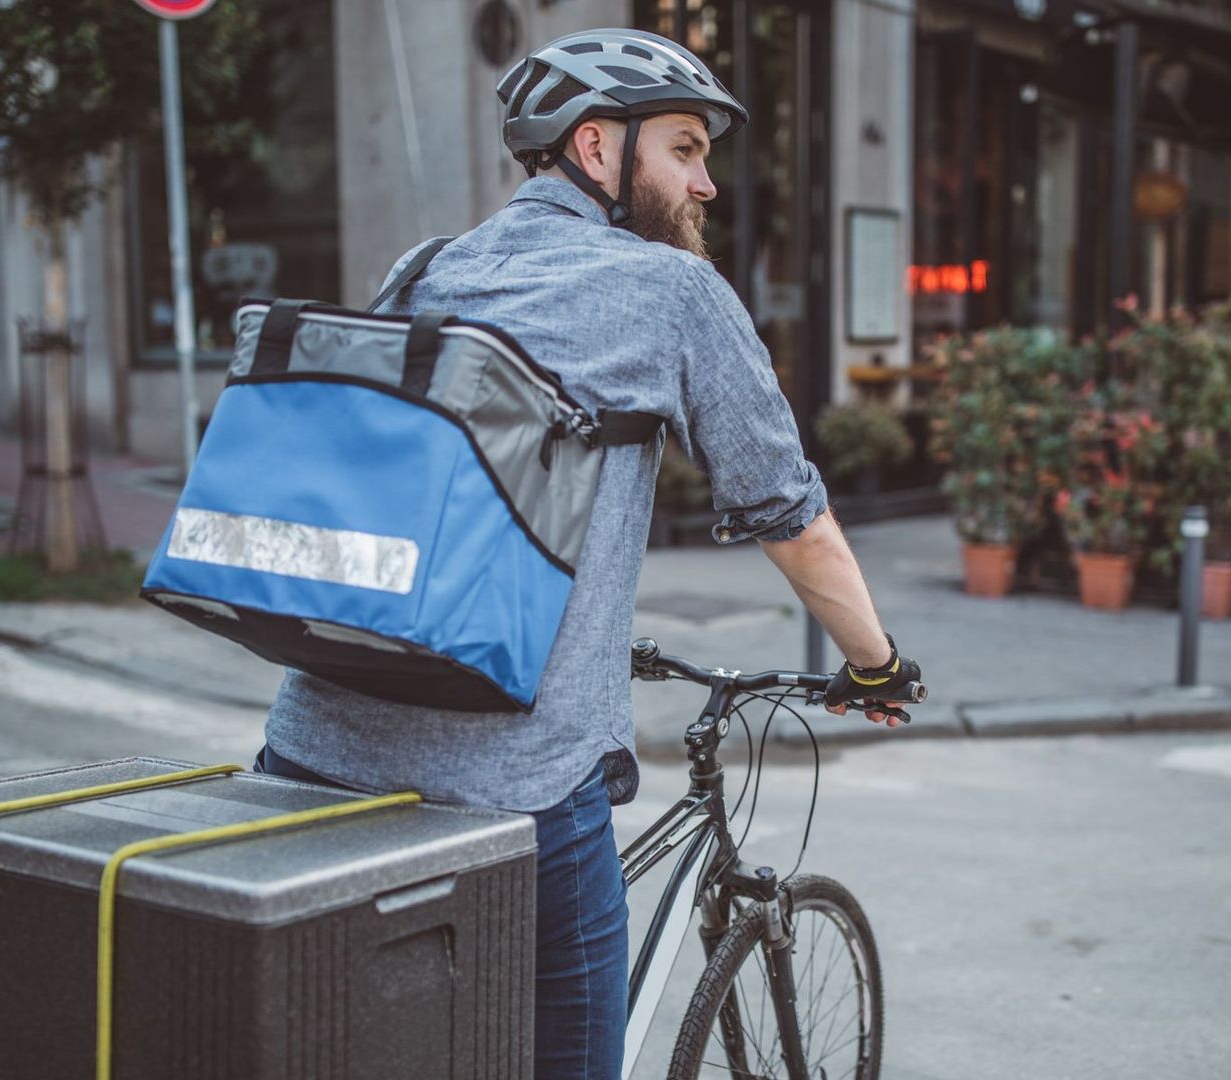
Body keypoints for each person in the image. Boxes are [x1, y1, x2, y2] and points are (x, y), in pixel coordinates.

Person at [251, 28, 922, 1079]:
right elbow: (796, 521)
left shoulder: (424, 268)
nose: (705, 185)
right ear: (598, 148)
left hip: (313, 745)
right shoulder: (676, 294)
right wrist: (878, 664)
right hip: (518, 783)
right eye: (686, 150)